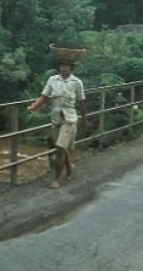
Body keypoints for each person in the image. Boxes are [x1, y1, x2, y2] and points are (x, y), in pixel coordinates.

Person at [27, 60, 87, 189]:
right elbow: (44, 96)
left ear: (71, 68)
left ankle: (56, 179)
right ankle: (69, 167)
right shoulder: (52, 80)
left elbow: (81, 102)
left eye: (67, 66)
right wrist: (33, 106)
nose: (64, 68)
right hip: (56, 119)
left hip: (69, 119)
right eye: (62, 65)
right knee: (61, 147)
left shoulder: (76, 82)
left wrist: (84, 120)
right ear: (59, 67)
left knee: (60, 148)